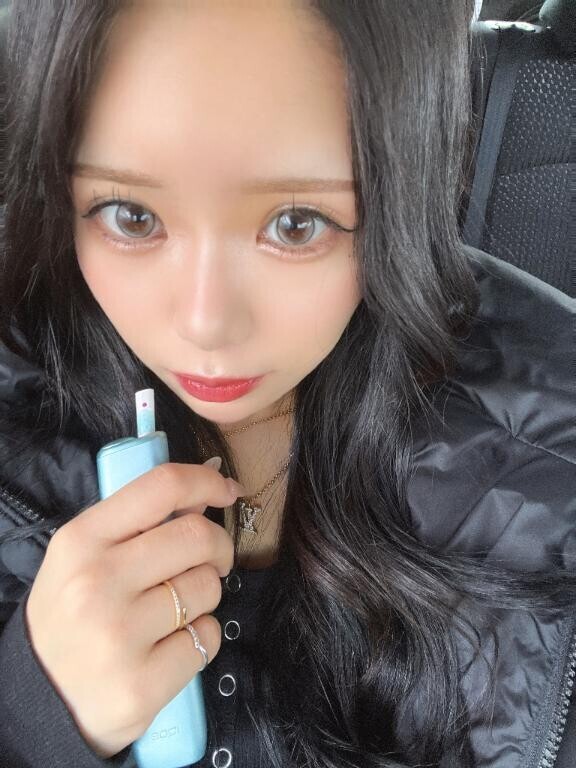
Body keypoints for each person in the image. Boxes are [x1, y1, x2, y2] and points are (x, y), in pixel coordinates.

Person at [0, 1, 574, 767]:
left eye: (296, 224)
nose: (205, 324)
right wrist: (33, 712)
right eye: (130, 216)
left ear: (399, 201)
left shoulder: (552, 480)